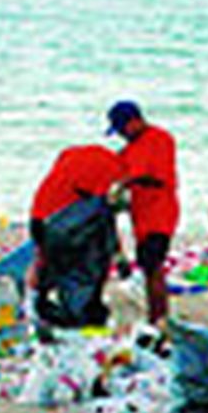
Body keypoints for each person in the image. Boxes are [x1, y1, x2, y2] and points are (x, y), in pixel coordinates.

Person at [28, 144, 123, 323]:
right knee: (84, 265)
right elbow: (105, 215)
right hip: (61, 225)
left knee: (48, 263)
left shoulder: (72, 157)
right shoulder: (111, 170)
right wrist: (119, 255)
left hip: (39, 218)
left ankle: (40, 303)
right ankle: (77, 311)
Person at [107, 101, 179, 325]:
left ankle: (160, 317)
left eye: (121, 129)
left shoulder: (161, 139)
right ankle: (155, 316)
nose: (121, 135)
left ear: (135, 121)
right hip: (141, 217)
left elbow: (156, 177)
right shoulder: (128, 150)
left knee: (153, 266)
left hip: (160, 214)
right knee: (148, 269)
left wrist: (128, 180)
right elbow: (115, 172)